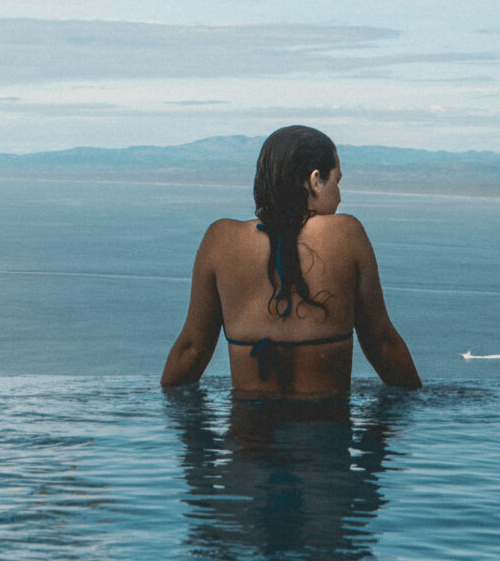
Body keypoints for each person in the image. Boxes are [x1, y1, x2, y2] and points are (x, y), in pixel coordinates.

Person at [161, 125, 421, 398]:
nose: (340, 196)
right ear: (315, 179)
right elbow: (382, 345)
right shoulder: (346, 233)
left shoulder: (220, 240)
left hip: (249, 432)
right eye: (338, 182)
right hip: (325, 432)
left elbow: (191, 351)